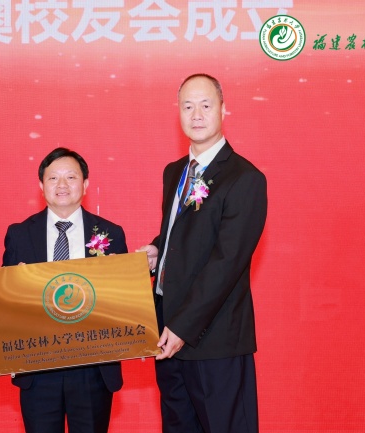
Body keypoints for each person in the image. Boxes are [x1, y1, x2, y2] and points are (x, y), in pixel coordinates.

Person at [137, 74, 267, 433]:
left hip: (214, 339)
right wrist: (158, 249)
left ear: (223, 110)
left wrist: (182, 327)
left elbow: (227, 263)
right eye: (188, 106)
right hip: (167, 333)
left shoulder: (244, 178)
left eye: (206, 105)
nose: (196, 114)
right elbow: (183, 233)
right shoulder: (174, 172)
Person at [2, 147, 127, 433]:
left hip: (93, 367)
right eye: (53, 178)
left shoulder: (111, 233)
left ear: (85, 184)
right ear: (41, 185)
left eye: (71, 177)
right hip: (38, 368)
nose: (62, 185)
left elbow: (123, 301)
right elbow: (7, 306)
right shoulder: (19, 234)